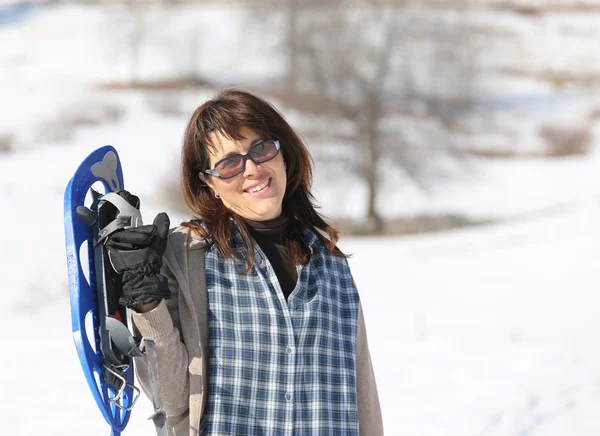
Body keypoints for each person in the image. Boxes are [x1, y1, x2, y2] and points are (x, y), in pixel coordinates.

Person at [106, 88, 383, 435]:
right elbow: (173, 402)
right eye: (229, 163)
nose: (252, 168)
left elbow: (363, 402)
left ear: (283, 155)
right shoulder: (186, 255)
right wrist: (147, 305)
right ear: (208, 183)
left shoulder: (331, 264)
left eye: (262, 149)